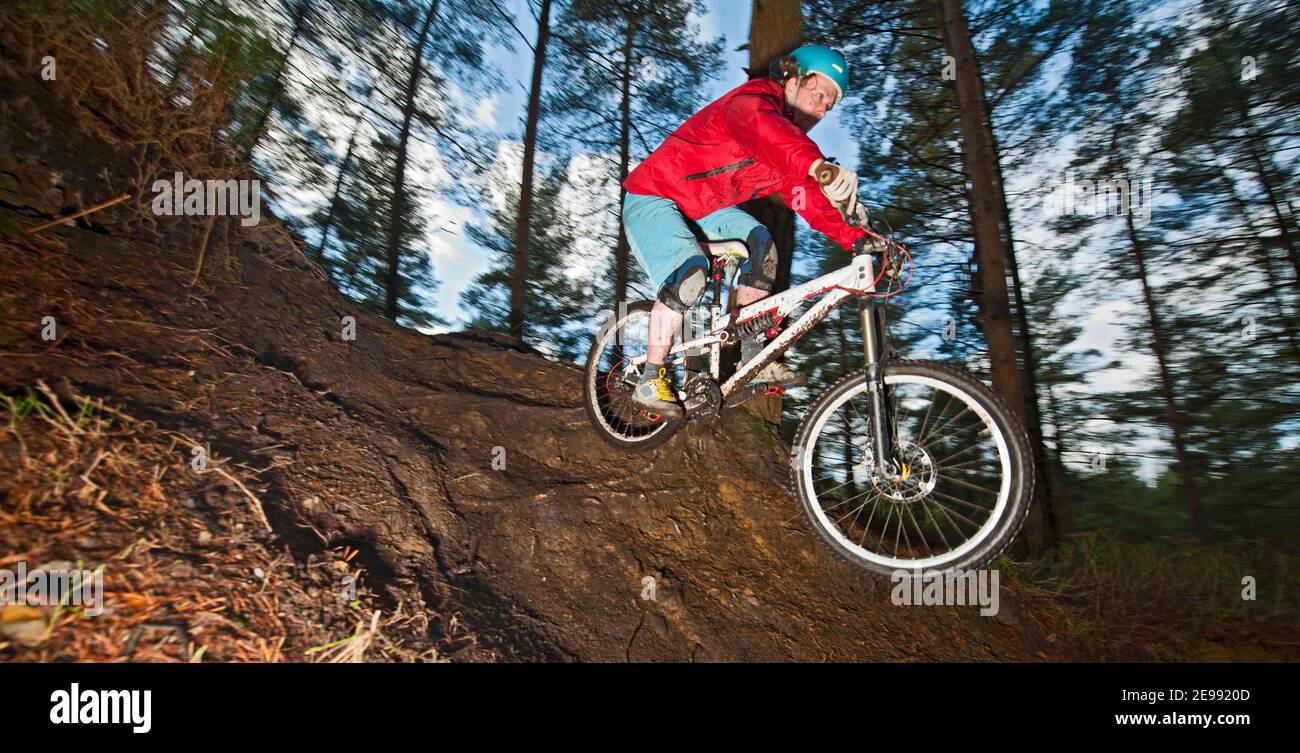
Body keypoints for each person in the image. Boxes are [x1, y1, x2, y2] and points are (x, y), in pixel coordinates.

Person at [621, 44, 871, 419]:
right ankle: (650, 376)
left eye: (828, 105)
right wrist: (818, 165)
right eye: (818, 94)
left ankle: (755, 356)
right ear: (791, 79)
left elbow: (809, 201)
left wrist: (860, 239)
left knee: (761, 247)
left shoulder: (790, 147)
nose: (821, 110)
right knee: (690, 273)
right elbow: (766, 129)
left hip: (702, 210)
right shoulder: (753, 100)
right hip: (652, 197)